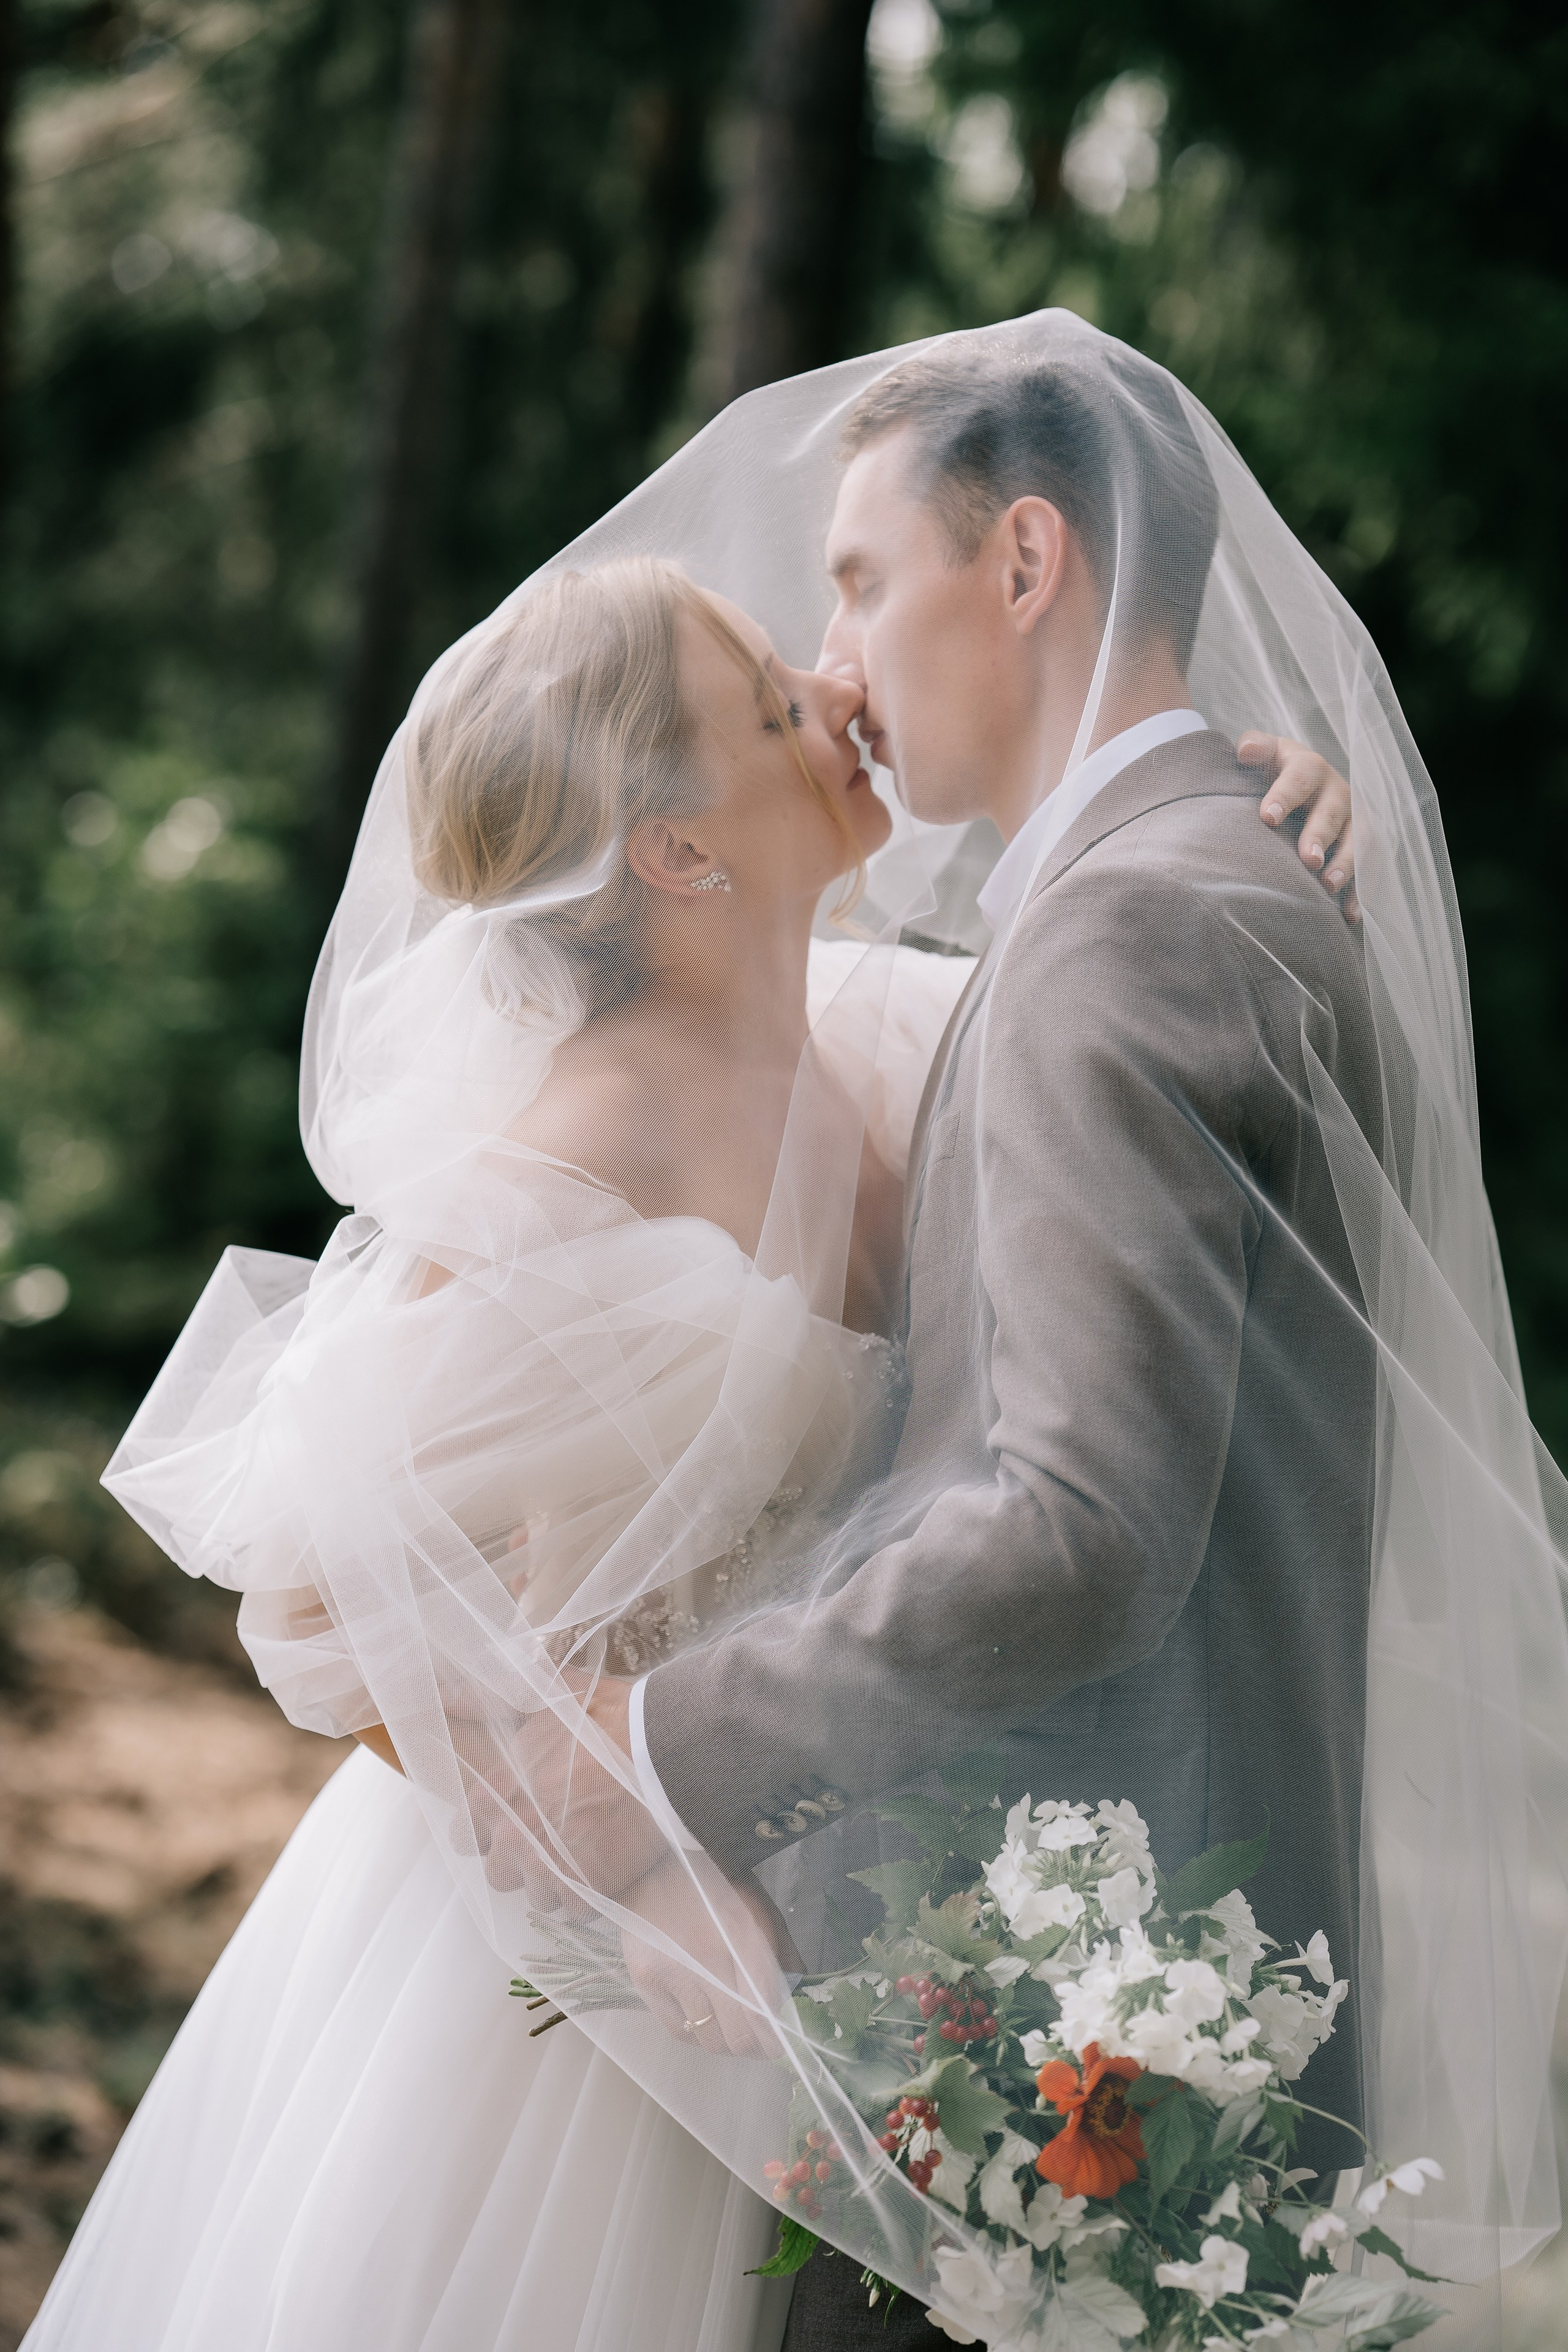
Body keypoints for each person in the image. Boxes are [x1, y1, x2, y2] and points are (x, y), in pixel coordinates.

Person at [23, 515, 1357, 2344]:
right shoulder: (572, 1161)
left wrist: (1247, 799)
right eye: (764, 700)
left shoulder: (894, 1032)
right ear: (675, 845)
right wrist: (632, 1877)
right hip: (595, 1989)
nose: (836, 684)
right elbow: (326, 1595)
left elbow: (1127, 1001)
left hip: (835, 1894)